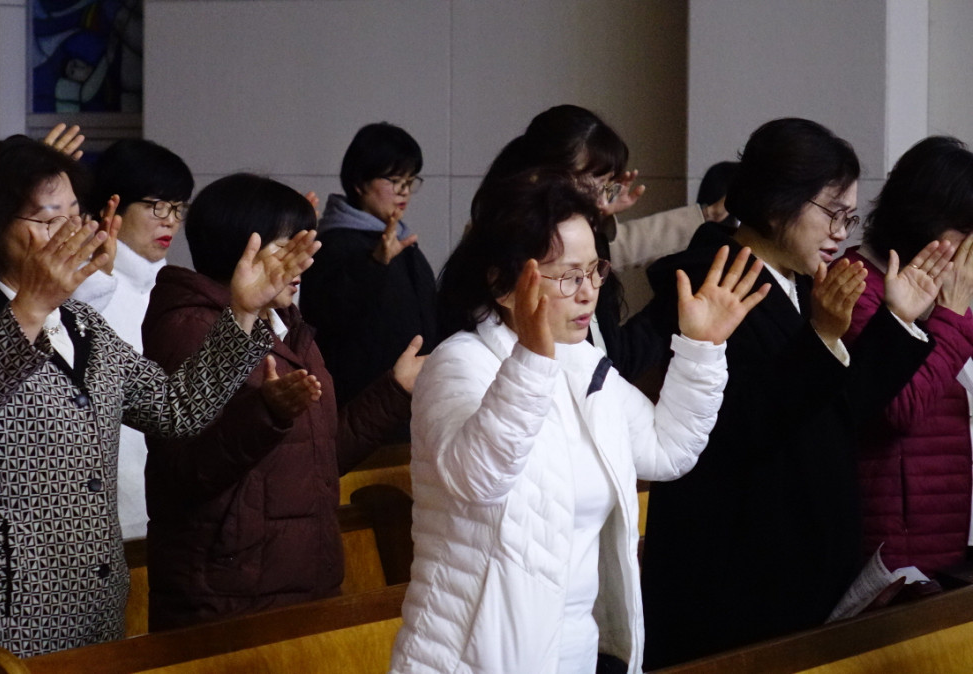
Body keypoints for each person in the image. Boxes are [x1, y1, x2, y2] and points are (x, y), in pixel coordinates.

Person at [0, 137, 319, 662]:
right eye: (47, 219)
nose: (70, 232)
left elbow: (177, 408)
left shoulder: (83, 323)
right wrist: (32, 304)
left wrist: (241, 312)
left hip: (93, 600)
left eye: (74, 215)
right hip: (2, 606)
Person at [389, 169, 768, 673]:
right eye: (569, 276)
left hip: (577, 653)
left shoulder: (584, 364)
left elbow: (667, 451)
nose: (589, 292)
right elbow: (479, 482)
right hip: (472, 660)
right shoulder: (459, 362)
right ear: (503, 284)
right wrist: (530, 361)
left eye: (594, 270)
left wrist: (701, 349)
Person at [640, 118, 951, 667]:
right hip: (735, 581)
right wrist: (822, 336)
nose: (840, 232)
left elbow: (838, 414)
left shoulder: (799, 284)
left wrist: (898, 319)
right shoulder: (709, 285)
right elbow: (741, 431)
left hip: (799, 572)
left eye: (849, 217)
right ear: (776, 200)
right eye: (831, 212)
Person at [142, 173, 422, 629]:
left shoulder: (285, 324)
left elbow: (317, 458)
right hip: (226, 592)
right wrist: (266, 414)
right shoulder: (190, 325)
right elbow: (186, 471)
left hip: (297, 578)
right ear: (241, 248)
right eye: (286, 247)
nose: (302, 262)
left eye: (305, 246)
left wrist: (394, 391)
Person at [479, 105, 707, 383]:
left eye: (608, 183)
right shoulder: (507, 236)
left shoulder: (585, 226)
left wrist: (596, 219)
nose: (602, 195)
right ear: (542, 175)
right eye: (595, 182)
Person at [841, 136, 973, 576]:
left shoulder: (949, 289)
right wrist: (953, 316)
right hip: (895, 544)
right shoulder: (856, 285)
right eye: (965, 231)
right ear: (925, 220)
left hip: (948, 530)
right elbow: (900, 407)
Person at [71, 138, 194, 540]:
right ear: (113, 207)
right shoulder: (83, 287)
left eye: (178, 208)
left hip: (168, 492)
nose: (170, 221)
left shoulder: (176, 288)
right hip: (103, 502)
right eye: (157, 206)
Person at [299, 122, 439, 414]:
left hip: (412, 403)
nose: (404, 192)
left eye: (410, 181)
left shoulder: (401, 241)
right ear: (360, 183)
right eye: (395, 180)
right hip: (362, 407)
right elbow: (327, 316)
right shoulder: (332, 243)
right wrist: (375, 264)